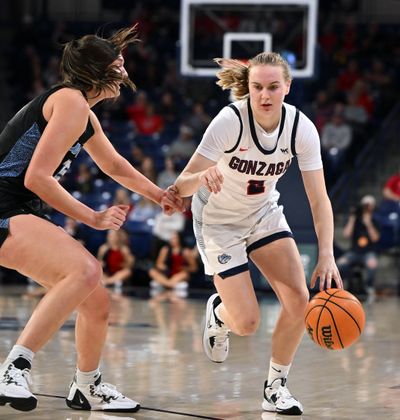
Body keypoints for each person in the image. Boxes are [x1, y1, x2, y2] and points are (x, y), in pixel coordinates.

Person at [0, 25, 182, 413]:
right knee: (84, 271)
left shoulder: (82, 112)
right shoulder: (70, 101)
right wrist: (93, 217)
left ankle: (87, 386)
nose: (125, 72)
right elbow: (36, 177)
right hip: (3, 204)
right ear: (97, 72)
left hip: (18, 207)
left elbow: (115, 164)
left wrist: (160, 195)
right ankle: (15, 367)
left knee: (95, 301)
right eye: (119, 64)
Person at [174, 52, 343, 416]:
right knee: (247, 324)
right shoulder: (229, 121)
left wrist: (327, 254)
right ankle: (220, 314)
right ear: (247, 88)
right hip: (218, 220)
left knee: (300, 301)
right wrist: (201, 177)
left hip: (263, 213)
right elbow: (180, 186)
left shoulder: (301, 128)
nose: (264, 96)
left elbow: (319, 199)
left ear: (287, 87)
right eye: (256, 87)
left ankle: (275, 388)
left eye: (272, 87)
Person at [336, 195, 380, 302]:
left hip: (368, 252)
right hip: (354, 252)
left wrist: (368, 223)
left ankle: (369, 288)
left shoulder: (375, 220)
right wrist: (352, 219)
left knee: (372, 264)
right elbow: (346, 234)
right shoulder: (355, 219)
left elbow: (375, 238)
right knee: (340, 263)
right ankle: (343, 286)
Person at [148, 231, 197, 297]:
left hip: (179, 274)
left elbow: (194, 268)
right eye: (172, 238)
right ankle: (169, 284)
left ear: (179, 239)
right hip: (167, 273)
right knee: (152, 271)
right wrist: (163, 267)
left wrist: (185, 268)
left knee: (185, 274)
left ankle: (166, 284)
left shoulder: (186, 251)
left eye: (175, 238)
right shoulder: (165, 250)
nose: (173, 240)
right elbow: (158, 264)